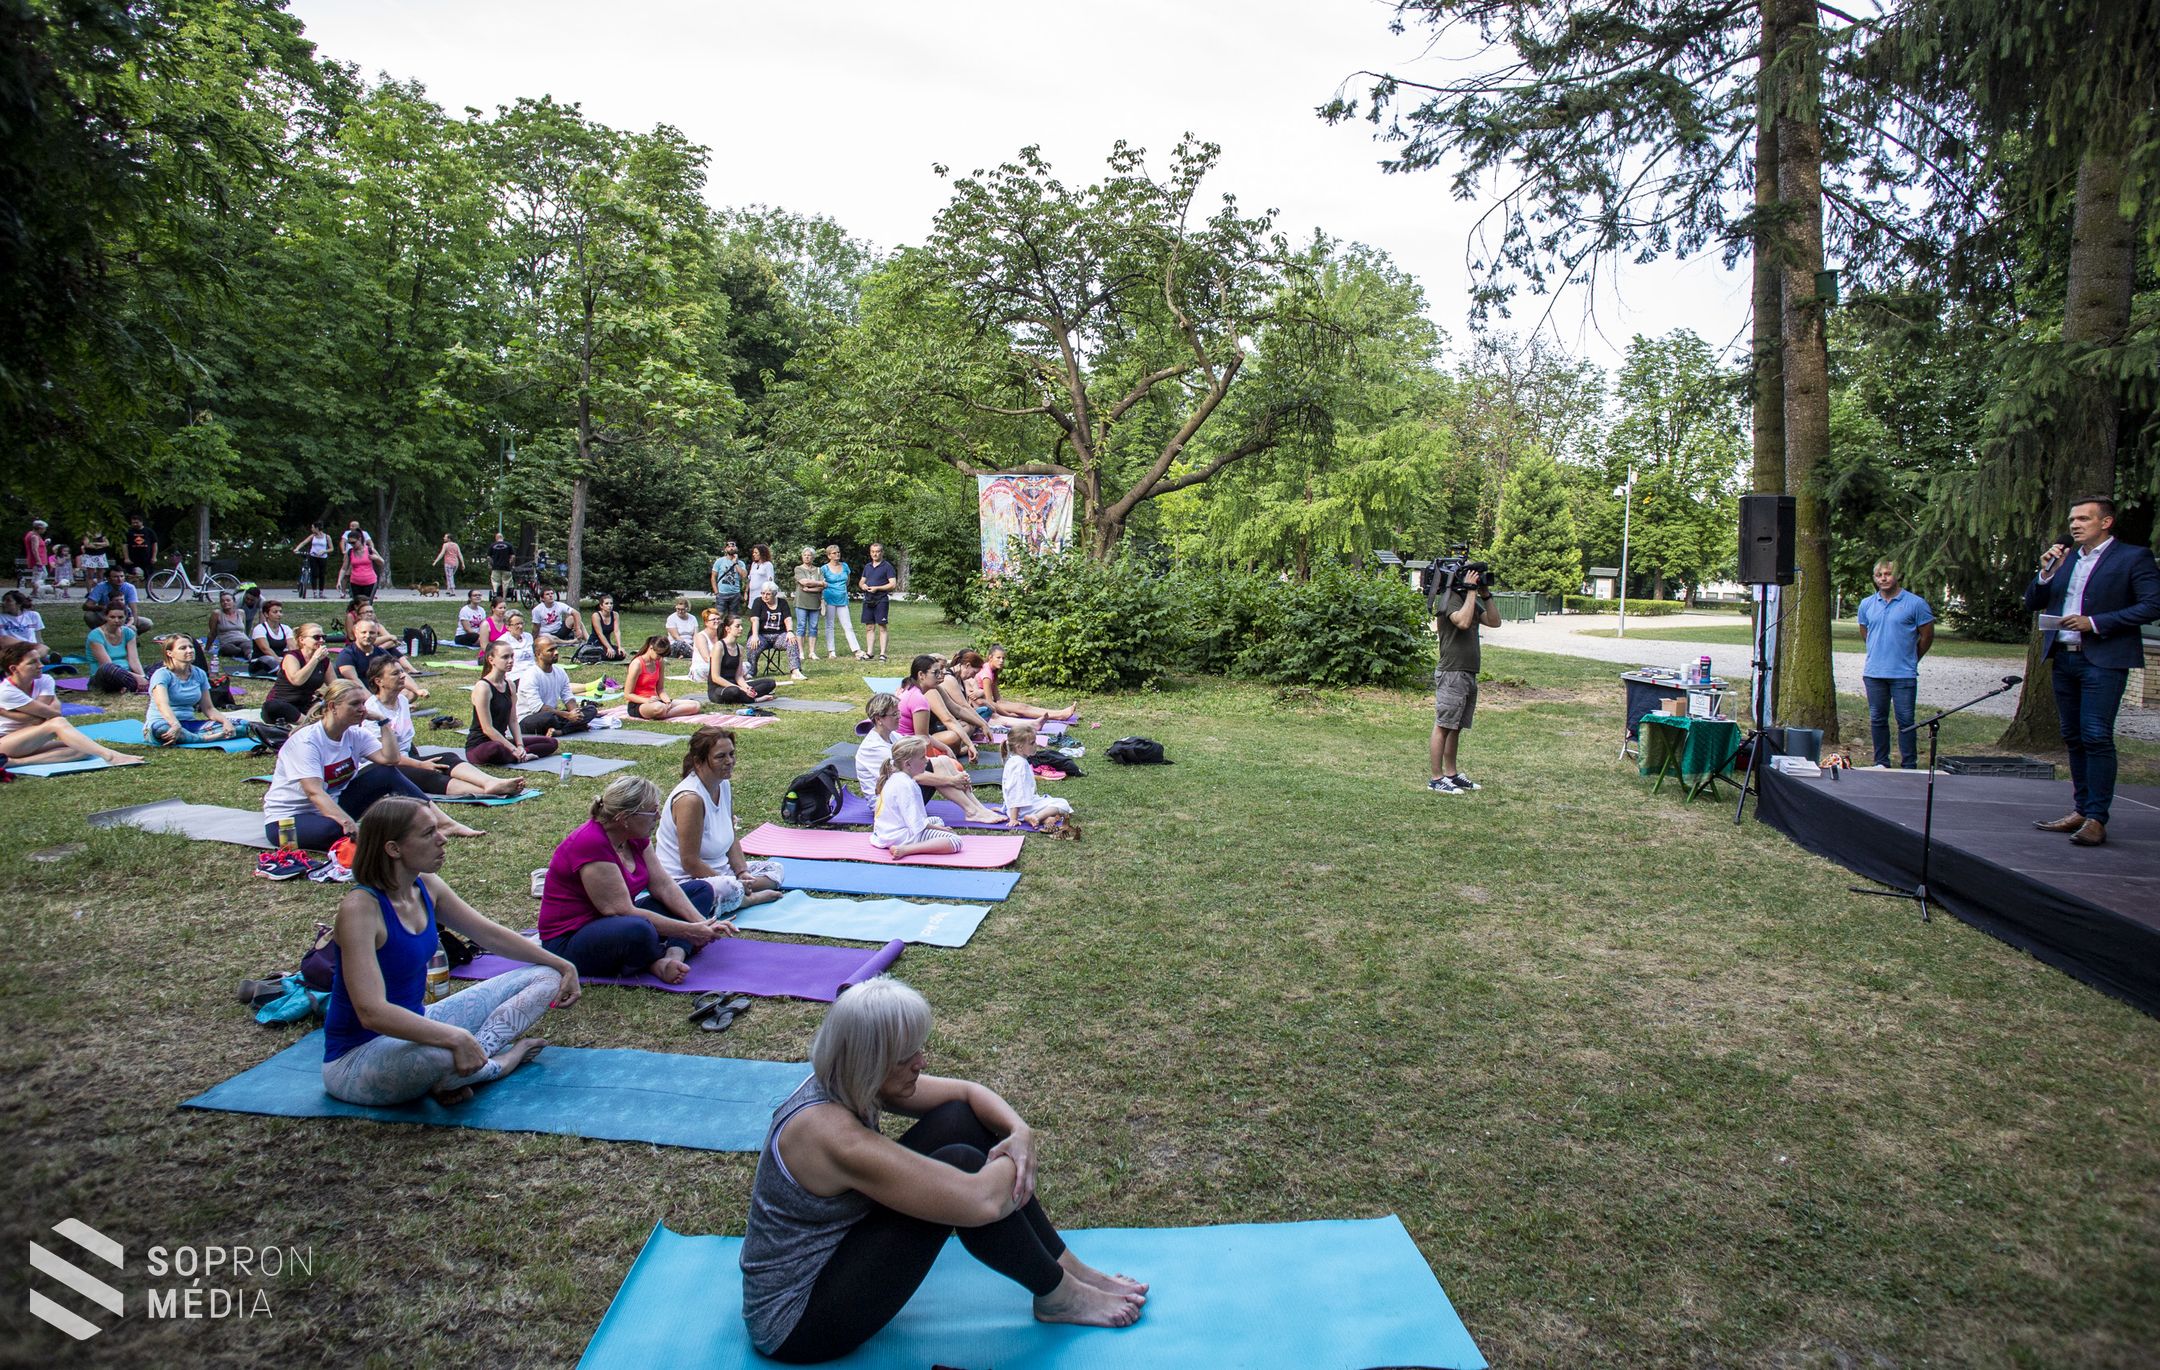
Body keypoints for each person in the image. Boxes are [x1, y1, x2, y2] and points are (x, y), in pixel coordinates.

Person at [739, 976, 1145, 1361]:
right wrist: (1013, 1160)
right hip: (800, 1323)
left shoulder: (843, 1078)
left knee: (961, 1118)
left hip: (839, 1249)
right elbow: (981, 1203)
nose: (921, 1062)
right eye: (906, 1057)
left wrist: (1018, 1132)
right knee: (967, 1165)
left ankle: (1065, 1265)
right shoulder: (832, 1136)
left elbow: (968, 1094)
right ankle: (1058, 1295)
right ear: (870, 1062)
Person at [321, 799, 578, 1107]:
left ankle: (466, 1064)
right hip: (355, 1061)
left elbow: (490, 935)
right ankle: (499, 1063)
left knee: (545, 977)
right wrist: (455, 1038)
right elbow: (372, 1013)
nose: (443, 839)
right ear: (393, 848)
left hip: (417, 1026)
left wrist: (563, 965)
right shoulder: (360, 909)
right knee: (441, 1052)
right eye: (429, 833)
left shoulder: (425, 886)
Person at [2026, 496, 2160, 848]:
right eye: (2072, 519)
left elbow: (2152, 604)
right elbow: (2033, 602)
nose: (2074, 525)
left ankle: (2098, 818)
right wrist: (2045, 574)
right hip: (2064, 657)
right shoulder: (2065, 560)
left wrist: (2095, 623)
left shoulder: (2133, 558)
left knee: (2096, 735)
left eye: (2084, 519)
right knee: (2072, 735)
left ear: (2106, 522)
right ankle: (2081, 808)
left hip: (2104, 658)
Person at [538, 775, 727, 983]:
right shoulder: (590, 843)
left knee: (700, 890)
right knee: (640, 929)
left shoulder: (636, 837)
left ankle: (673, 955)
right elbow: (621, 910)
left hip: (611, 922)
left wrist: (702, 924)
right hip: (570, 939)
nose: (657, 816)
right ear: (624, 818)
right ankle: (653, 961)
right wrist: (689, 930)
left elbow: (663, 885)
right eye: (651, 811)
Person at [260, 680, 436, 847]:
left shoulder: (355, 734)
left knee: (386, 773)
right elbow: (314, 792)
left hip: (331, 807)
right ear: (332, 707)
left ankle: (437, 820)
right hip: (286, 821)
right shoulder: (307, 742)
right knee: (336, 830)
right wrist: (347, 822)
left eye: (363, 703)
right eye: (355, 704)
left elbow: (391, 759)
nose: (362, 709)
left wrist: (383, 722)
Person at [655, 726, 784, 915]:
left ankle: (737, 893)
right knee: (726, 887)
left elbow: (731, 835)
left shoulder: (723, 784)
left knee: (775, 869)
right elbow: (690, 863)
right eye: (720, 757)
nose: (729, 761)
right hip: (686, 880)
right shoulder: (690, 799)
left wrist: (742, 873)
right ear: (699, 762)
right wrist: (733, 883)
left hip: (721, 872)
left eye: (731, 754)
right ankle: (745, 899)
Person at [364, 655, 524, 800]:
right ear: (379, 681)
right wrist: (420, 764)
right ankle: (488, 790)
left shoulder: (402, 701)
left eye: (401, 671)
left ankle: (491, 782)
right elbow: (386, 757)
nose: (402, 676)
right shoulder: (373, 710)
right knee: (429, 772)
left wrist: (418, 761)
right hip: (383, 766)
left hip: (406, 757)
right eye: (395, 674)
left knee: (447, 757)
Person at [855, 693, 999, 821]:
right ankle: (971, 811)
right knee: (937, 765)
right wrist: (951, 780)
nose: (899, 716)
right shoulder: (874, 747)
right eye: (894, 714)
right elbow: (909, 776)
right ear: (879, 719)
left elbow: (918, 757)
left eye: (898, 712)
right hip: (887, 806)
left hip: (900, 794)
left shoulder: (892, 736)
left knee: (941, 761)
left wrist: (950, 767)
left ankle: (978, 809)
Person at [0, 642, 143, 768]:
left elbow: (49, 713)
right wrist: (41, 715)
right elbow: (51, 715)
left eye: (39, 660)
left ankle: (15, 762)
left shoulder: (45, 679)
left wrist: (11, 714)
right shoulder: (6, 691)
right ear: (14, 669)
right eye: (33, 662)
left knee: (83, 747)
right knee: (57, 723)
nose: (41, 665)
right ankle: (111, 756)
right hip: (6, 743)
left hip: (30, 739)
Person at [1854, 559, 1935, 770]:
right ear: (1874, 578)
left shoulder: (1916, 604)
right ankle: (1881, 762)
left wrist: (1912, 657)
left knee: (1906, 720)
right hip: (1874, 673)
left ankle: (1909, 764)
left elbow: (1926, 636)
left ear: (1897, 576)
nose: (1883, 578)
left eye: (1887, 574)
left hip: (1903, 674)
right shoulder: (1867, 604)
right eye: (1879, 575)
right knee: (1877, 719)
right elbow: (1865, 632)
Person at [1429, 564, 1501, 795]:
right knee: (1443, 725)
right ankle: (1436, 778)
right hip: (1452, 672)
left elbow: (1494, 621)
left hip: (1468, 671)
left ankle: (1451, 774)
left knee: (1456, 726)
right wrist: (1470, 592)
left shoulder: (1467, 597)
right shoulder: (1449, 598)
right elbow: (1461, 621)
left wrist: (1485, 594)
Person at [465, 639, 560, 766]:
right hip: (480, 746)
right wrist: (513, 749)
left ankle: (521, 754)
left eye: (512, 656)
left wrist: (519, 745)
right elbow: (487, 728)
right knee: (495, 749)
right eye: (505, 657)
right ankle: (517, 755)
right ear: (491, 659)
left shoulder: (510, 685)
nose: (510, 661)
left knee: (551, 743)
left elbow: (513, 720)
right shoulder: (483, 687)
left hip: (502, 741)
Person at [872, 737, 965, 858]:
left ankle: (919, 841)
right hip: (900, 836)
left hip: (885, 832)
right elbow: (916, 823)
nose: (926, 760)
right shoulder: (907, 785)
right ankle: (906, 849)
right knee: (955, 841)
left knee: (937, 820)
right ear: (908, 764)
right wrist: (941, 830)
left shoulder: (896, 777)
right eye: (922, 757)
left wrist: (936, 827)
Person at [146, 636, 246, 745]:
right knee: (162, 730)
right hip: (164, 723)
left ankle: (193, 737)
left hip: (189, 724)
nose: (189, 650)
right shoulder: (162, 674)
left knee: (243, 725)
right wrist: (175, 724)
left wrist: (225, 722)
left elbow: (208, 708)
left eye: (191, 647)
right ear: (170, 653)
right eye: (183, 648)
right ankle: (204, 739)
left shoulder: (199, 674)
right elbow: (162, 705)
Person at [996, 722, 1076, 837]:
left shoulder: (1016, 760)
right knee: (1063, 804)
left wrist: (1006, 808)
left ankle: (1046, 819)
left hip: (1020, 807)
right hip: (1022, 810)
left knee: (1053, 805)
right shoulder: (1019, 765)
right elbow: (1015, 790)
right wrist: (1013, 818)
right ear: (1020, 747)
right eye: (1032, 743)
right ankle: (1036, 817)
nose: (1036, 745)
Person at [899, 656, 981, 762]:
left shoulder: (914, 692)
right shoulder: (919, 699)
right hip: (907, 752)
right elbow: (923, 739)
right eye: (935, 672)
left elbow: (923, 735)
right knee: (954, 768)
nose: (940, 675)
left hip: (907, 746)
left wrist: (944, 748)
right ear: (921, 675)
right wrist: (934, 764)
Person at [970, 646, 1076, 722]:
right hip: (984, 705)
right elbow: (990, 702)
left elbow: (997, 698)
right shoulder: (986, 674)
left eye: (1003, 658)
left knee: (1022, 706)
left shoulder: (993, 671)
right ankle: (1059, 715)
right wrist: (1008, 714)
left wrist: (1009, 705)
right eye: (998, 658)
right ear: (990, 658)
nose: (1001, 661)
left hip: (989, 702)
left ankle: (1059, 713)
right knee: (1021, 709)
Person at [513, 634, 590, 738]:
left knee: (590, 710)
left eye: (556, 649)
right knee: (549, 718)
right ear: (538, 654)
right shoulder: (530, 675)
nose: (556, 653)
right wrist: (567, 715)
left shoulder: (560, 672)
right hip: (530, 719)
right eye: (551, 650)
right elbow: (538, 708)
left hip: (555, 714)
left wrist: (575, 713)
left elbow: (568, 697)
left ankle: (560, 731)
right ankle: (573, 727)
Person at [263, 622, 335, 726]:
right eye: (316, 637)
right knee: (273, 707)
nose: (321, 640)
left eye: (323, 637)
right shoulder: (292, 657)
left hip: (305, 705)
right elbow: (297, 680)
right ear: (302, 640)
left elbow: (335, 686)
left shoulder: (324, 661)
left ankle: (310, 720)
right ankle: (309, 722)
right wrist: (315, 659)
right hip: (283, 703)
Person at [627, 635, 704, 720]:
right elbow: (628, 694)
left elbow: (660, 689)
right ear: (651, 648)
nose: (660, 657)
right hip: (639, 703)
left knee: (695, 705)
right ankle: (662, 712)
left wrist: (667, 701)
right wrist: (646, 700)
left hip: (657, 701)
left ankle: (663, 713)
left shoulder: (659, 661)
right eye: (659, 654)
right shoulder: (637, 664)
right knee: (659, 708)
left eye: (663, 655)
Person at [708, 614, 778, 706]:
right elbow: (715, 677)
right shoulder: (719, 646)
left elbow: (738, 676)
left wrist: (747, 687)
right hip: (719, 689)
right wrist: (741, 689)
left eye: (741, 626)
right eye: (737, 626)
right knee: (734, 691)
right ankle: (755, 700)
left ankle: (747, 696)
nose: (741, 628)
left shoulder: (740, 648)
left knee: (770, 683)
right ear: (728, 629)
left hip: (736, 685)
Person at [84, 602, 149, 693]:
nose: (116, 620)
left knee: (161, 665)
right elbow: (107, 664)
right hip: (105, 676)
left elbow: (134, 660)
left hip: (127, 673)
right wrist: (137, 677)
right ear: (105, 617)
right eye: (112, 617)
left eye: (120, 617)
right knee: (109, 669)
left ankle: (133, 685)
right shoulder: (95, 636)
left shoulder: (128, 633)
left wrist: (142, 676)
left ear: (126, 617)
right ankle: (133, 684)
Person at [748, 581, 807, 680]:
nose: (765, 596)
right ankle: (751, 671)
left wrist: (790, 632)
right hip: (762, 635)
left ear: (775, 594)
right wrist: (754, 635)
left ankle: (795, 671)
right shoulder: (758, 602)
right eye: (763, 593)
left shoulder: (782, 602)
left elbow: (787, 619)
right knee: (752, 643)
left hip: (779, 636)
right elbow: (755, 619)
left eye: (768, 594)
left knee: (792, 640)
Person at [821, 544, 864, 660]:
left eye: (838, 552)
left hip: (842, 599)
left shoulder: (845, 566)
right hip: (829, 598)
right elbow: (821, 583)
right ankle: (831, 651)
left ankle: (856, 650)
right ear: (829, 555)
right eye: (834, 553)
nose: (837, 555)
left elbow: (847, 581)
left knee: (848, 625)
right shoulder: (824, 569)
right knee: (829, 625)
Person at [83, 565, 153, 633]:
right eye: (115, 577)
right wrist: (102, 607)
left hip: (124, 617)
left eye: (122, 576)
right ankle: (102, 634)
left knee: (147, 623)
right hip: (105, 616)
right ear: (108, 578)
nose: (119, 579)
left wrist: (132, 626)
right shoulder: (101, 587)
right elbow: (86, 606)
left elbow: (133, 610)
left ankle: (128, 637)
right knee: (89, 615)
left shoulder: (129, 588)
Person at [859, 543, 897, 662]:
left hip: (881, 600)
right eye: (873, 551)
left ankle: (882, 654)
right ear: (870, 553)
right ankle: (869, 653)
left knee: (882, 626)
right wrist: (863, 585)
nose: (875, 554)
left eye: (878, 551)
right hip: (868, 599)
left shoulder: (887, 566)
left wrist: (877, 588)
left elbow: (892, 584)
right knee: (869, 627)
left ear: (882, 552)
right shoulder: (868, 566)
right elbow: (861, 582)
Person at [0, 590, 53, 664]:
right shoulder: (1, 618)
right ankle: (34, 660)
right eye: (3, 600)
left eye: (8, 601)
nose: (3, 603)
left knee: (44, 648)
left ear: (19, 604)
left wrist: (41, 647)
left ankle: (31, 659)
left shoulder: (33, 615)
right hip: (11, 649)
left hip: (31, 648)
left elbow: (38, 638)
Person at [793, 547, 826, 661]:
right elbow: (803, 582)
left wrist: (811, 588)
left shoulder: (818, 570)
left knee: (813, 627)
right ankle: (800, 652)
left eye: (809, 555)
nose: (807, 557)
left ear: (813, 557)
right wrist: (820, 583)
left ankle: (812, 652)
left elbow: (822, 587)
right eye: (805, 555)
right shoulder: (798, 569)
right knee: (801, 627)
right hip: (801, 602)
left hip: (815, 603)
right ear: (802, 557)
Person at [247, 599, 293, 675]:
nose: (279, 614)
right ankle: (285, 673)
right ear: (266, 614)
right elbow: (266, 649)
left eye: (280, 612)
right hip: (261, 662)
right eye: (275, 612)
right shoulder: (259, 628)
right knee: (270, 660)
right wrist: (280, 662)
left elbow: (292, 647)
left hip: (280, 661)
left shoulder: (286, 628)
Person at [207, 590, 254, 663]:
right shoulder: (217, 614)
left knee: (248, 646)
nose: (225, 602)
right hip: (227, 642)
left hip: (242, 639)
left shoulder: (241, 612)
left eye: (228, 600)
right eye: (222, 601)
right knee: (231, 649)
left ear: (234, 602)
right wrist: (207, 648)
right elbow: (212, 633)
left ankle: (251, 658)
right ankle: (245, 653)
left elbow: (243, 630)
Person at [292, 523, 332, 599]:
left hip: (323, 557)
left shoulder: (327, 537)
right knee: (314, 574)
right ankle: (315, 593)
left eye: (313, 527)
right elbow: (304, 542)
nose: (311, 529)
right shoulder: (312, 536)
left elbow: (331, 548)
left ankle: (321, 593)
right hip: (313, 556)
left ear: (317, 528)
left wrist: (324, 551)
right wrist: (297, 548)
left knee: (322, 575)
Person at [583, 593, 626, 661]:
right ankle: (590, 654)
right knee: (607, 654)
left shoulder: (615, 615)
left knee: (621, 655)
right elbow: (600, 634)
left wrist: (619, 647)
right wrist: (609, 647)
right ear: (601, 606)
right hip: (595, 643)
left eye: (611, 603)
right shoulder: (596, 616)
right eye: (606, 603)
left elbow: (617, 631)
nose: (609, 606)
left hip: (607, 643)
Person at [687, 607, 724, 686]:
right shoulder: (700, 636)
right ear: (706, 622)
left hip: (720, 665)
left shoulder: (722, 635)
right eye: (713, 619)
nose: (717, 621)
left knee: (745, 665)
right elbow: (706, 658)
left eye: (718, 619)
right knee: (701, 670)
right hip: (704, 666)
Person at [711, 538, 745, 621]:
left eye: (733, 546)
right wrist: (716, 592)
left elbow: (744, 575)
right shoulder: (719, 561)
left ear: (736, 548)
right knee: (719, 616)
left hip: (735, 594)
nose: (731, 548)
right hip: (722, 594)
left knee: (733, 618)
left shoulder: (740, 563)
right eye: (729, 546)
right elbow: (713, 577)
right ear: (725, 549)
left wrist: (735, 563)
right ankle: (718, 633)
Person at [345, 524, 380, 601]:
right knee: (357, 605)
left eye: (353, 542)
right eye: (350, 543)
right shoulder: (350, 552)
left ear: (359, 539)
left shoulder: (370, 550)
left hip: (370, 581)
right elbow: (343, 568)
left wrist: (376, 558)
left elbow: (382, 562)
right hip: (355, 582)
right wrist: (339, 581)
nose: (352, 545)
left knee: (366, 604)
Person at [121, 515, 156, 585]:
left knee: (149, 576)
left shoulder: (149, 531)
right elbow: (124, 545)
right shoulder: (129, 532)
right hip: (132, 558)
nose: (134, 524)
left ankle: (150, 593)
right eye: (133, 523)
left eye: (136, 522)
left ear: (141, 522)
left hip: (147, 558)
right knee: (130, 575)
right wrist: (126, 558)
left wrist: (154, 557)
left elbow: (154, 544)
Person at [22, 519, 50, 593]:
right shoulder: (34, 536)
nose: (45, 530)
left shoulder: (33, 534)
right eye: (44, 528)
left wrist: (45, 543)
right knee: (38, 577)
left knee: (43, 575)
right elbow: (34, 549)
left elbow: (38, 546)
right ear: (40, 528)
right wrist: (38, 561)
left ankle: (37, 591)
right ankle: (35, 592)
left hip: (40, 559)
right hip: (38, 560)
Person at [486, 532, 516, 598]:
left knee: (495, 581)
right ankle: (504, 597)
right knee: (506, 582)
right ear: (503, 538)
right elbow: (513, 556)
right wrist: (510, 564)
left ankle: (495, 593)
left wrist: (492, 564)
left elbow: (488, 557)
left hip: (496, 567)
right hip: (506, 567)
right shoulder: (509, 545)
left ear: (496, 538)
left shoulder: (492, 545)